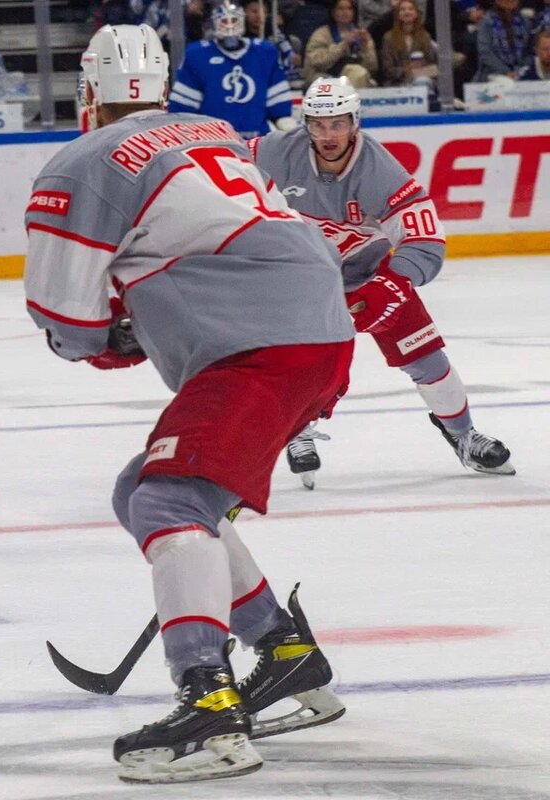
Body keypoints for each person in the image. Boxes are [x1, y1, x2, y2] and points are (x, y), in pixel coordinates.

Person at [26, 24, 351, 784]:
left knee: (169, 499)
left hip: (262, 349)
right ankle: (284, 652)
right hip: (313, 331)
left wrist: (109, 335)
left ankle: (209, 704)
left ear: (89, 91)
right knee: (145, 488)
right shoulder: (215, 133)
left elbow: (69, 325)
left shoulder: (83, 159)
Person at [249, 79, 514, 487]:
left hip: (369, 276)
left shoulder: (381, 172)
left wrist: (393, 284)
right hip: (299, 279)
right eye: (317, 125)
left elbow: (425, 241)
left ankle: (463, 435)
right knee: (296, 363)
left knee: (425, 357)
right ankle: (299, 432)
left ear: (354, 121)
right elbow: (218, 163)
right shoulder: (274, 150)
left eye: (337, 124)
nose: (327, 136)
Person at [167, 3, 295, 138]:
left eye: (234, 20)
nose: (229, 26)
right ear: (215, 23)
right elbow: (182, 110)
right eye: (224, 21)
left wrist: (285, 124)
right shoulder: (198, 54)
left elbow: (279, 106)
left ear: (242, 21)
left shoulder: (264, 52)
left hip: (257, 140)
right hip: (213, 141)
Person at [304, 0, 379, 87]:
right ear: (333, 12)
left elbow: (372, 68)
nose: (345, 12)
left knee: (360, 74)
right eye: (340, 9)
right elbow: (317, 62)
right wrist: (343, 45)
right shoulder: (321, 34)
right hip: (326, 75)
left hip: (356, 74)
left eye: (349, 9)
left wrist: (365, 47)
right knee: (357, 73)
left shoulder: (361, 34)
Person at [380, 0, 439, 88]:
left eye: (410, 9)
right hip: (398, 83)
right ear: (397, 14)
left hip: (423, 78)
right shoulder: (388, 38)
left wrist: (421, 66)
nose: (407, 12)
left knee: (423, 81)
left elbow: (431, 62)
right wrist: (406, 69)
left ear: (416, 13)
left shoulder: (425, 36)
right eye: (403, 10)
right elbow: (387, 70)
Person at [244, 0, 303, 87]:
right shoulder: (241, 34)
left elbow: (287, 50)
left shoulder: (273, 31)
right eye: (254, 12)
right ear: (245, 12)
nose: (259, 15)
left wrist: (292, 58)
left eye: (263, 12)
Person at [474, 0, 534, 81]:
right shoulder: (486, 22)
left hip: (521, 72)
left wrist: (519, 71)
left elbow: (529, 52)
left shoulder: (525, 22)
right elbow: (485, 52)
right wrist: (505, 71)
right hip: (493, 72)